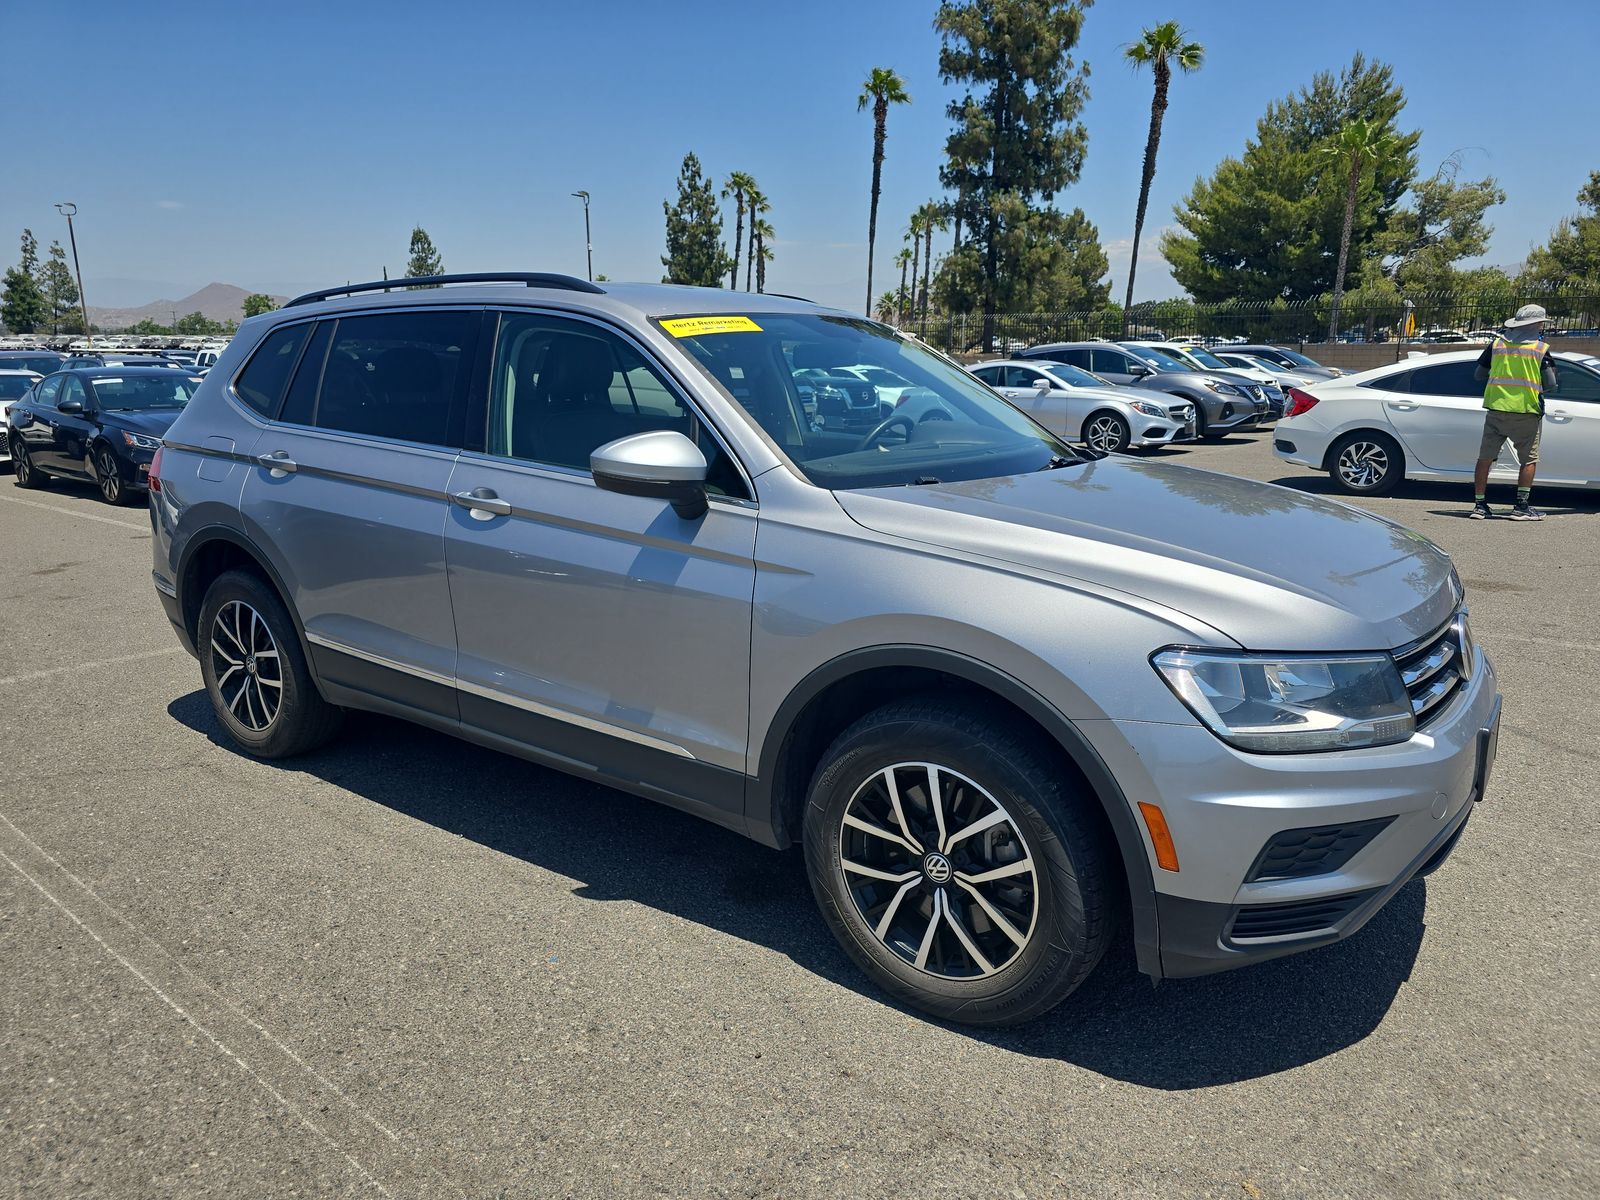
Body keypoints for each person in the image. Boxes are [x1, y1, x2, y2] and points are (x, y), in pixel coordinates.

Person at [1470, 304, 1557, 521]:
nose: (1541, 326)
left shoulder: (1496, 345)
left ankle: (1479, 505)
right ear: (1535, 324)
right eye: (1540, 323)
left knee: (1485, 458)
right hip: (1526, 411)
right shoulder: (1540, 349)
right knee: (1528, 460)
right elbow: (1551, 383)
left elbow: (1478, 375)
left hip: (1496, 409)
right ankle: (1521, 506)